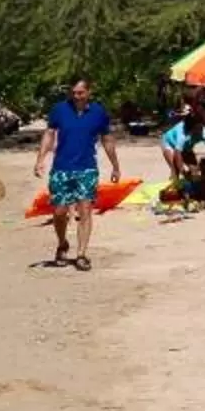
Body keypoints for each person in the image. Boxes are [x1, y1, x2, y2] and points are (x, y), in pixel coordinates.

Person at [33, 75, 120, 270]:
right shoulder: (59, 110)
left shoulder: (98, 113)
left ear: (89, 92)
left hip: (87, 168)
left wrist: (115, 165)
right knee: (59, 211)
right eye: (73, 93)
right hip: (62, 168)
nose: (77, 96)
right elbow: (49, 134)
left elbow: (107, 139)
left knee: (85, 210)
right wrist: (40, 159)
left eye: (80, 93)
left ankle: (81, 254)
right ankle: (62, 242)